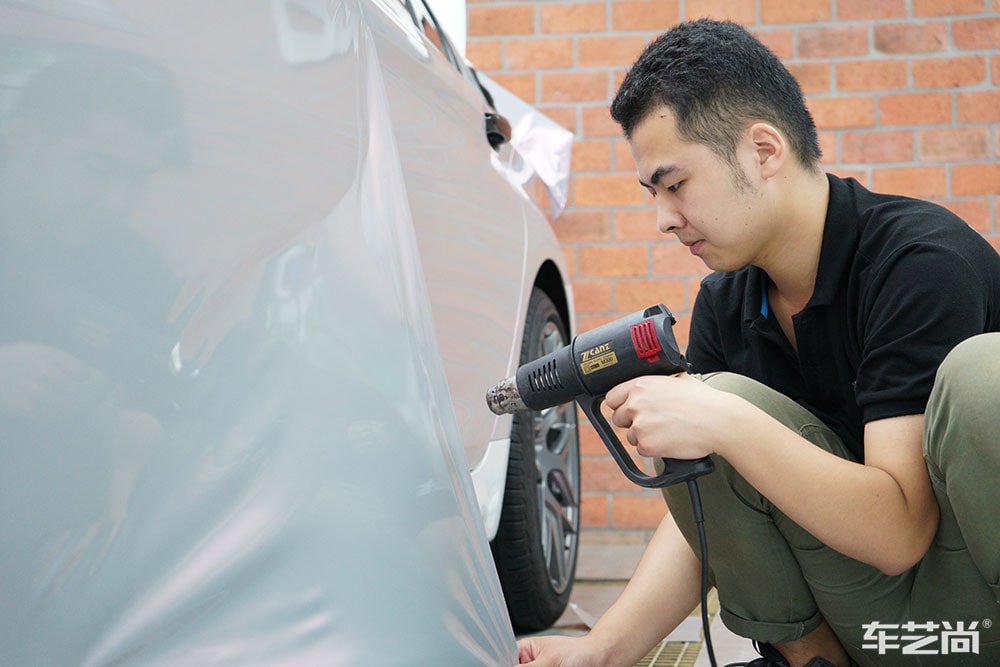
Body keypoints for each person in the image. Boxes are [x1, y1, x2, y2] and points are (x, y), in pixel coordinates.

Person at [516, 19, 1000, 667]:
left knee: (982, 377)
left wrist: (720, 415)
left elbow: (901, 532)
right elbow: (705, 509)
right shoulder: (727, 300)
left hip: (973, 615)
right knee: (711, 416)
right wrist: (601, 650)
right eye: (653, 193)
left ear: (764, 151)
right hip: (868, 633)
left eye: (675, 183)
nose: (663, 217)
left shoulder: (920, 262)